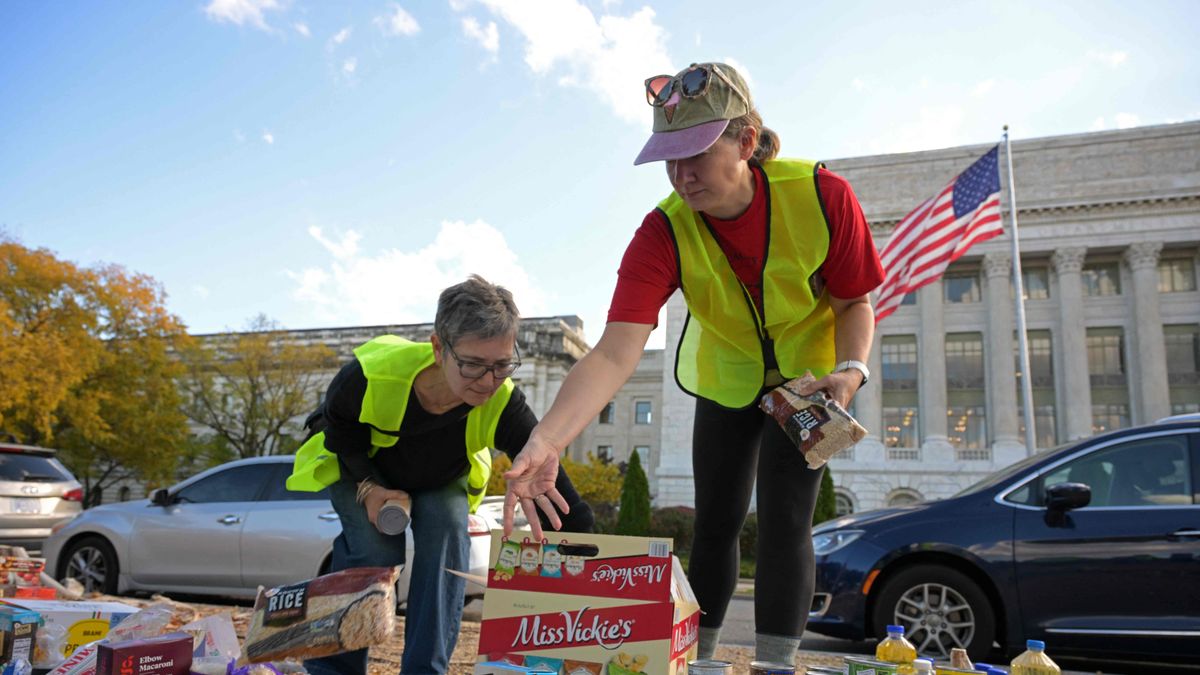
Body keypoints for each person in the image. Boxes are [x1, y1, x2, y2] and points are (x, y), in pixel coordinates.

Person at [502, 63, 882, 665]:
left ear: (746, 142)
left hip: (812, 383)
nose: (682, 176)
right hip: (726, 378)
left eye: (697, 154)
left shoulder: (822, 194)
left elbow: (854, 300)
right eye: (669, 159)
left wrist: (852, 371)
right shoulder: (662, 231)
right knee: (717, 521)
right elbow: (614, 350)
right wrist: (546, 439)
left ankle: (774, 663)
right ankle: (696, 657)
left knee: (786, 519)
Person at [288, 275, 595, 675]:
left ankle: (425, 670)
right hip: (362, 466)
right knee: (375, 552)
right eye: (472, 365)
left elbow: (561, 497)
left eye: (502, 365)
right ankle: (335, 671)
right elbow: (341, 432)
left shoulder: (504, 402)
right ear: (438, 348)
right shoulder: (368, 377)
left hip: (438, 478)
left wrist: (602, 568)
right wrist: (369, 487)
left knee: (449, 532)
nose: (488, 381)